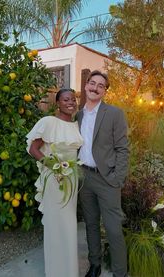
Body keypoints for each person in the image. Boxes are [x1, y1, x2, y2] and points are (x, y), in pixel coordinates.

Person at [26, 88, 83, 277]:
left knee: (68, 223)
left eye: (73, 100)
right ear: (57, 103)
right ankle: (56, 271)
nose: (71, 103)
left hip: (71, 180)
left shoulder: (76, 125)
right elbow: (33, 149)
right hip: (55, 179)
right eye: (66, 99)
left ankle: (69, 270)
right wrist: (54, 166)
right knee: (55, 224)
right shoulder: (48, 122)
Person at [78, 70, 129, 277]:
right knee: (90, 224)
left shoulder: (114, 114)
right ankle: (95, 264)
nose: (95, 87)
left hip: (107, 178)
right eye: (92, 83)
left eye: (101, 85)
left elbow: (123, 149)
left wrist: (118, 178)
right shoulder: (78, 115)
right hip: (84, 178)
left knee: (114, 229)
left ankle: (120, 273)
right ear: (86, 85)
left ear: (105, 91)